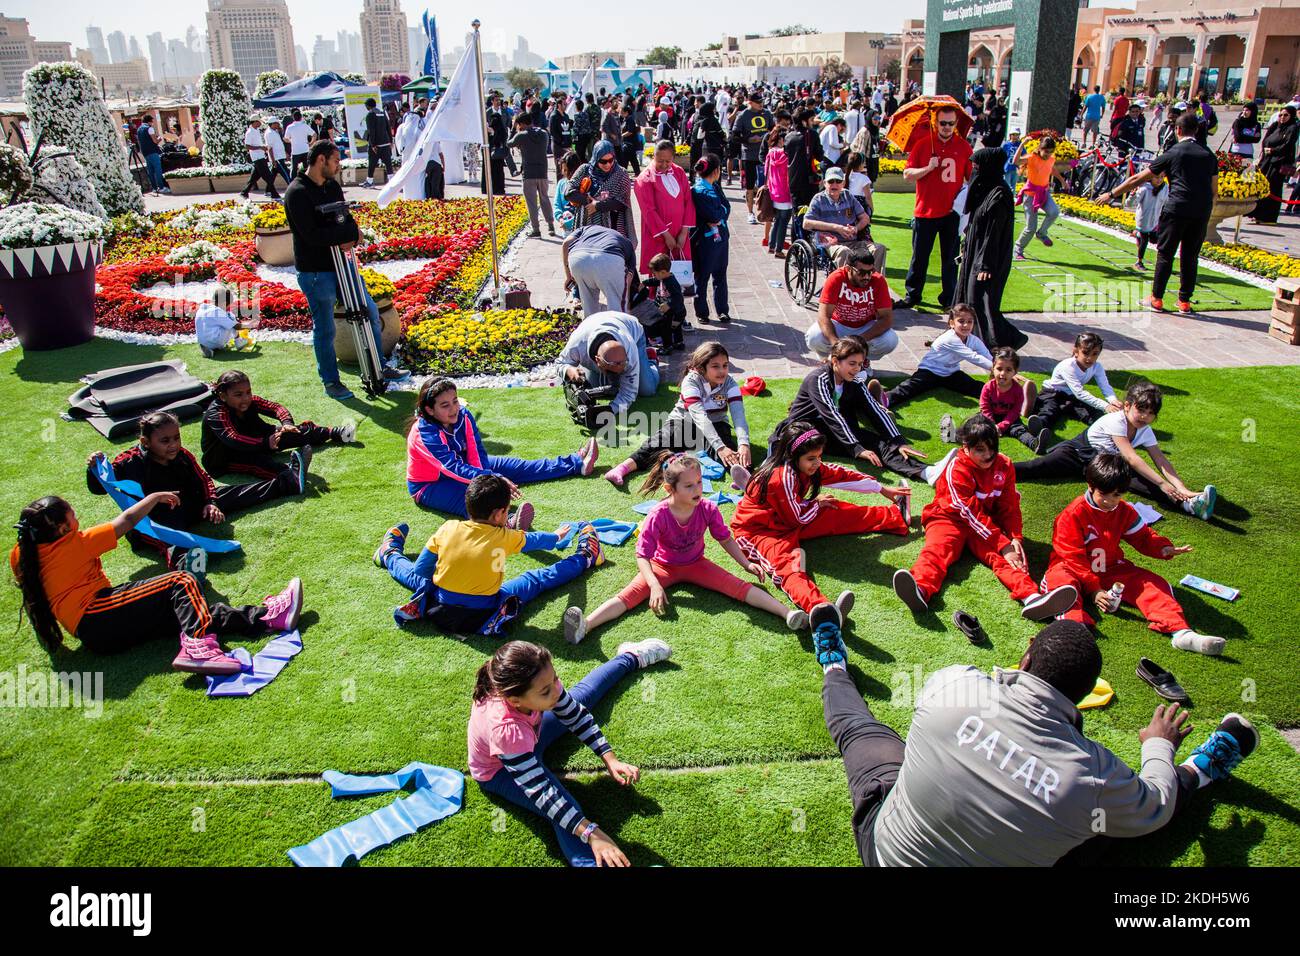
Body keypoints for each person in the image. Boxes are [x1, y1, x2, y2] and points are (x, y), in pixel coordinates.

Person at [815, 616, 1259, 867]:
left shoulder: (955, 686)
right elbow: (1156, 806)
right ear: (1084, 696)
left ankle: (833, 666)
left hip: (884, 853)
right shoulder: (1093, 777)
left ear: (1026, 655)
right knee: (1114, 823)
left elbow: (977, 693)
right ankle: (1203, 768)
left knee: (861, 732)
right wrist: (1158, 746)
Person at [11, 494, 302, 676]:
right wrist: (153, 498)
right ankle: (198, 648)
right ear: (62, 529)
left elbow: (34, 595)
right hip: (99, 612)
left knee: (189, 610)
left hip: (95, 635)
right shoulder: (75, 543)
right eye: (72, 515)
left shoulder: (21, 556)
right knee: (180, 580)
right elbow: (126, 520)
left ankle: (266, 616)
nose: (77, 517)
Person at [467, 638, 673, 866]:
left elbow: (576, 715)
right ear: (515, 700)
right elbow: (542, 793)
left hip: (528, 738)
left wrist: (610, 758)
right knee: (563, 809)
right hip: (500, 771)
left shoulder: (532, 681)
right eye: (546, 691)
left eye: (554, 678)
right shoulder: (506, 729)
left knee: (581, 697)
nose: (556, 689)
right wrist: (591, 833)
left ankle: (631, 657)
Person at [566, 453, 803, 643]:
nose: (697, 490)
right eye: (689, 486)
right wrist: (654, 584)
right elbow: (642, 555)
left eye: (699, 482)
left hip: (697, 565)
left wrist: (746, 563)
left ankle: (788, 614)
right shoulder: (658, 515)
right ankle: (585, 626)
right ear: (671, 490)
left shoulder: (708, 508)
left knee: (738, 587)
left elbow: (725, 539)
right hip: (662, 567)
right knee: (627, 596)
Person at [892, 415, 1079, 620]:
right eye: (980, 450)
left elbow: (1010, 506)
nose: (988, 455)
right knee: (938, 549)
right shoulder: (956, 469)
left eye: (992, 448)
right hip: (948, 518)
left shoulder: (1005, 465)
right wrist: (1002, 542)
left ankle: (1032, 598)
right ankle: (920, 589)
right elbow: (968, 511)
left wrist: (1015, 538)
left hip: (984, 522)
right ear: (965, 447)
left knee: (1008, 559)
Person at [730, 420, 910, 630]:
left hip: (790, 515)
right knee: (789, 570)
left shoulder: (804, 466)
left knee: (837, 511)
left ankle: (896, 516)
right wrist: (815, 504)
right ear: (793, 456)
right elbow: (796, 518)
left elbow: (839, 474)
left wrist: (881, 489)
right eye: (811, 458)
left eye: (819, 456)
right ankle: (822, 609)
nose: (817, 463)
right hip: (760, 531)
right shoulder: (780, 479)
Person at [1044, 454, 1228, 656]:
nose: (1110, 501)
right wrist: (1094, 589)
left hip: (1111, 566)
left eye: (1117, 495)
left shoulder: (1124, 510)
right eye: (1104, 494)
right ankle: (1075, 628)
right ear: (1090, 486)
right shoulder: (1072, 514)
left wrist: (1162, 548)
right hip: (1071, 567)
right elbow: (1072, 557)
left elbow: (1142, 537)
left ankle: (1181, 633)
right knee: (1062, 585)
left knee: (1152, 583)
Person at [375, 476, 605, 634]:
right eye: (508, 511)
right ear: (498, 515)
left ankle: (388, 554)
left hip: (438, 610)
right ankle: (586, 555)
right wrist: (555, 537)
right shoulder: (504, 537)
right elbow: (534, 540)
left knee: (417, 579)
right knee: (535, 579)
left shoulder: (448, 528)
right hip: (483, 614)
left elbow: (421, 571)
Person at [85, 412, 307, 570]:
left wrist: (210, 502)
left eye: (176, 438)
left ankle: (288, 482)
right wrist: (93, 468)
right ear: (146, 441)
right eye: (164, 440)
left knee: (229, 494)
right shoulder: (128, 461)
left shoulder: (181, 455)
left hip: (186, 506)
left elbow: (203, 479)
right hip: (152, 521)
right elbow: (100, 487)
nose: (173, 444)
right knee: (167, 540)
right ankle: (188, 567)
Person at [283, 139, 399, 400]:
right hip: (315, 271)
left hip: (342, 264)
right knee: (325, 328)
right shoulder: (297, 192)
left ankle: (378, 366)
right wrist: (342, 235)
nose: (338, 166)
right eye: (335, 161)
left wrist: (352, 235)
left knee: (368, 310)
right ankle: (331, 382)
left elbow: (346, 221)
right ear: (321, 160)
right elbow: (311, 235)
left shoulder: (332, 186)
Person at [1014, 380, 1218, 520]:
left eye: (1151, 413)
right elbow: (1131, 457)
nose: (1145, 417)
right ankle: (994, 470)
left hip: (1106, 465)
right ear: (1127, 406)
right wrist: (1163, 483)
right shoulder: (1116, 420)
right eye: (1141, 410)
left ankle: (1190, 505)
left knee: (1146, 483)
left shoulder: (1145, 431)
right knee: (1038, 466)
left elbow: (1161, 461)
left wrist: (1181, 488)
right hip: (1078, 453)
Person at [404, 377, 597, 522]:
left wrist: (489, 478)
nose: (454, 408)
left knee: (519, 467)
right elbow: (451, 468)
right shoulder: (423, 433)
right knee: (473, 501)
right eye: (445, 405)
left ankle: (577, 463)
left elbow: (476, 450)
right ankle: (508, 522)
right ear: (430, 410)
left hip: (465, 465)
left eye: (455, 401)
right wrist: (491, 479)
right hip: (431, 484)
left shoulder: (463, 415)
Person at [1097, 113, 1218, 314]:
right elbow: (1214, 191)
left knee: (1166, 254)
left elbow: (1137, 178)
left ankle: (1157, 299)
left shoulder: (1173, 152)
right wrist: (1205, 211)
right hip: (1201, 210)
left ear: (1178, 130)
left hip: (1177, 208)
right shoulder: (1208, 155)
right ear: (1196, 131)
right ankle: (1184, 302)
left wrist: (1111, 193)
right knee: (1190, 256)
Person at [604, 341, 750, 488]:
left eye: (725, 365)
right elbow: (699, 417)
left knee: (729, 451)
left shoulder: (730, 384)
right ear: (701, 368)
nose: (722, 371)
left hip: (716, 423)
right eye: (715, 366)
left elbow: (739, 416)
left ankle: (744, 477)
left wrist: (743, 444)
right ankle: (622, 468)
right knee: (658, 442)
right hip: (683, 421)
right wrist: (719, 447)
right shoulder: (691, 381)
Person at [784, 337, 929, 482]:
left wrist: (898, 440)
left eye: (860, 364)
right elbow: (832, 415)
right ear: (835, 361)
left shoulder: (855, 380)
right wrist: (856, 448)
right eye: (852, 363)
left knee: (879, 443)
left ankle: (926, 472)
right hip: (806, 431)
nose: (857, 368)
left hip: (833, 431)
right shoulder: (818, 379)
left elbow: (875, 410)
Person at [201, 370, 356, 480]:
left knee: (295, 432)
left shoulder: (250, 401)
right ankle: (292, 473)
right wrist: (264, 443)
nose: (246, 398)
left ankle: (335, 433)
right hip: (226, 458)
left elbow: (275, 408)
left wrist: (287, 423)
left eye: (248, 392)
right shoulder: (216, 413)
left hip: (257, 440)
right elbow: (232, 438)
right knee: (258, 462)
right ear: (222, 395)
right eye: (238, 395)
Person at [900, 106, 973, 310]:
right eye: (943, 123)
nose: (947, 127)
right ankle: (913, 294)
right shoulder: (923, 145)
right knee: (919, 257)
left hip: (952, 213)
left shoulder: (964, 147)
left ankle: (949, 297)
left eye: (951, 123)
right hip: (925, 211)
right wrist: (928, 168)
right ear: (935, 122)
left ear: (956, 124)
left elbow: (971, 178)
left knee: (950, 259)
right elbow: (907, 175)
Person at [957, 146, 1027, 350]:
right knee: (972, 299)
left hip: (989, 260)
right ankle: (975, 340)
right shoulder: (987, 188)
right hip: (976, 254)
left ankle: (1003, 340)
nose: (974, 171)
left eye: (977, 166)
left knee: (980, 301)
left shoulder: (999, 195)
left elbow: (993, 234)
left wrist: (985, 265)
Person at [556, 310, 661, 416]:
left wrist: (610, 410)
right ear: (597, 360)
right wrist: (569, 370)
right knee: (590, 388)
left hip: (632, 327)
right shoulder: (577, 345)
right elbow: (559, 363)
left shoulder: (630, 350)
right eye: (611, 372)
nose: (615, 378)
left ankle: (651, 360)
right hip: (592, 323)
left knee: (647, 389)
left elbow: (629, 394)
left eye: (621, 370)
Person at [885, 303, 992, 408]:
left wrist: (999, 367)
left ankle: (999, 395)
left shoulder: (974, 340)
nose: (966, 325)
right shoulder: (950, 338)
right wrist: (994, 368)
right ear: (951, 323)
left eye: (970, 322)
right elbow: (973, 357)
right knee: (909, 388)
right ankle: (884, 400)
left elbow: (987, 355)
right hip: (929, 371)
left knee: (974, 386)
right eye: (961, 321)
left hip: (951, 373)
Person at [1024, 331, 1121, 445]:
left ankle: (1108, 430)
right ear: (1075, 351)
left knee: (1091, 412)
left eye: (1095, 354)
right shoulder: (1068, 366)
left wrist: (1113, 400)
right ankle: (1038, 425)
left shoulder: (1097, 367)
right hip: (1052, 393)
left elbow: (1105, 386)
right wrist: (1105, 406)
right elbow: (1080, 393)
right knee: (1050, 410)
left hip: (1071, 396)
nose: (1090, 358)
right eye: (1085, 353)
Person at [807, 246, 898, 361]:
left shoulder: (878, 280)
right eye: (862, 272)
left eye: (870, 272)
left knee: (890, 340)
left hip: (865, 326)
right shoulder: (836, 278)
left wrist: (859, 340)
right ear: (849, 269)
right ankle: (829, 359)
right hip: (838, 324)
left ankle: (863, 361)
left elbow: (886, 319)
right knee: (814, 337)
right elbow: (823, 316)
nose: (867, 277)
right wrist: (836, 344)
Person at [633, 140, 695, 277]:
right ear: (654, 157)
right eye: (660, 161)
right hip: (658, 235)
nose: (665, 165)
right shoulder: (645, 179)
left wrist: (684, 233)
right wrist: (666, 236)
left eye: (668, 161)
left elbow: (688, 201)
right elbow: (649, 211)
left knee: (679, 272)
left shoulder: (678, 172)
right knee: (658, 270)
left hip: (679, 233)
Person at [802, 166, 880, 271]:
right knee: (844, 251)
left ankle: (874, 282)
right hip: (830, 242)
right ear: (825, 183)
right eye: (831, 181)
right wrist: (836, 228)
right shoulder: (818, 199)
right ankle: (844, 284)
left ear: (843, 183)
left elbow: (865, 218)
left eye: (838, 181)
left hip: (852, 241)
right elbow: (806, 223)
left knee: (879, 249)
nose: (834, 185)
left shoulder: (848, 196)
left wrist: (855, 229)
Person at [566, 139, 636, 244]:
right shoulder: (584, 170)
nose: (608, 164)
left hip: (613, 227)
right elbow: (568, 193)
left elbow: (623, 202)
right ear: (595, 158)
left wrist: (598, 205)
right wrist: (589, 202)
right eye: (603, 161)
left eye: (611, 160)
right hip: (584, 225)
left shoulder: (621, 174)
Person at [690, 153, 732, 324]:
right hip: (705, 241)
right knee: (702, 276)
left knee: (720, 274)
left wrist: (720, 214)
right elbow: (716, 215)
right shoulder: (699, 191)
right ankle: (701, 311)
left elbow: (726, 208)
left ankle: (722, 310)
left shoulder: (714, 186)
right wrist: (720, 214)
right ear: (716, 171)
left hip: (720, 238)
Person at [561, 224, 639, 316]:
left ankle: (592, 329)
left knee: (589, 309)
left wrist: (568, 276)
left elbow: (566, 243)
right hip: (609, 258)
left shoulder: (585, 228)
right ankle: (616, 329)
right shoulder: (626, 242)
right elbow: (628, 279)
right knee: (617, 309)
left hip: (579, 259)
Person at [1012, 135, 1065, 259]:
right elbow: (1016, 161)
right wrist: (1022, 144)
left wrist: (1062, 181)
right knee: (1031, 228)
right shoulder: (1032, 157)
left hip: (1044, 193)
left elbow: (1052, 169)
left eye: (1051, 152)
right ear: (1040, 148)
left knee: (1054, 212)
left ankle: (1041, 233)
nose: (1048, 154)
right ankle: (1018, 249)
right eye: (1046, 151)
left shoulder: (1051, 159)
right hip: (1030, 195)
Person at [977, 346, 1038, 451]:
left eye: (1008, 370)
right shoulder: (988, 387)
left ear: (1015, 372)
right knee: (975, 425)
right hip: (989, 417)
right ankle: (956, 436)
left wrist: (1001, 426)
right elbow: (985, 408)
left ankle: (1035, 443)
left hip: (1010, 419)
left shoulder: (1017, 390)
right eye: (999, 369)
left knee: (1019, 430)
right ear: (993, 368)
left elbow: (1015, 412)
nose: (1002, 374)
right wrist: (992, 425)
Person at [507, 113, 555, 238]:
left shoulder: (521, 135)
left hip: (528, 173)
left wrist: (513, 130)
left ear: (521, 124)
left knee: (532, 203)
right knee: (544, 198)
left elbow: (509, 144)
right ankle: (550, 225)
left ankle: (536, 229)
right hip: (542, 171)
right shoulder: (544, 134)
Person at [731, 90, 775, 224]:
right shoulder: (743, 115)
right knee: (749, 186)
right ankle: (750, 212)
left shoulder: (767, 113)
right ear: (750, 102)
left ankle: (766, 211)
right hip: (749, 155)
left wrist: (769, 139)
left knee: (767, 185)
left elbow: (773, 130)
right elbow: (734, 136)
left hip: (766, 155)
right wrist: (749, 140)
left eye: (762, 101)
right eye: (758, 102)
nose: (761, 104)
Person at [1250, 104, 1298, 224]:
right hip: (1267, 161)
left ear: (1291, 116)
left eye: (1285, 115)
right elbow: (1266, 139)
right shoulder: (1275, 125)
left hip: (1278, 163)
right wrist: (1266, 150)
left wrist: (1273, 150)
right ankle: (1258, 214)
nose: (1282, 117)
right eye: (1280, 115)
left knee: (1273, 188)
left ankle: (1269, 217)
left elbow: (1288, 145)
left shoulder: (1292, 128)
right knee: (1262, 186)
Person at [631, 252, 687, 354]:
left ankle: (667, 347)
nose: (654, 275)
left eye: (654, 273)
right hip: (676, 312)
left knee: (666, 329)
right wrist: (645, 283)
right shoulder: (664, 278)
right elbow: (655, 281)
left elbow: (678, 298)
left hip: (674, 312)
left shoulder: (671, 282)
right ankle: (679, 343)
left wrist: (668, 304)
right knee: (675, 328)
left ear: (663, 272)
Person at [763, 127, 794, 259]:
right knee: (783, 222)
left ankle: (771, 245)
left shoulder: (770, 153)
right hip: (785, 191)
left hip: (773, 191)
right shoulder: (786, 155)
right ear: (781, 140)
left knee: (777, 220)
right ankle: (779, 249)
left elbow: (766, 172)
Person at [1131, 172, 1168, 270]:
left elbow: (1166, 201)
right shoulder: (1144, 189)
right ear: (1150, 178)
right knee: (1144, 241)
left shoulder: (1165, 188)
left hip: (1156, 220)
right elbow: (1131, 204)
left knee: (1155, 240)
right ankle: (1139, 262)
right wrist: (1133, 195)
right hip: (1143, 220)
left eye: (1162, 177)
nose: (1159, 180)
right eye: (1156, 177)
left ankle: (1137, 234)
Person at [240, 117, 279, 200]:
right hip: (257, 157)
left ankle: (244, 192)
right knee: (267, 176)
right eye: (259, 122)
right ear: (255, 122)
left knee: (255, 177)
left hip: (260, 156)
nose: (260, 123)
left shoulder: (256, 131)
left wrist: (262, 148)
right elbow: (247, 146)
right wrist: (260, 148)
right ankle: (274, 193)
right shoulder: (249, 132)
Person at [360, 98, 394, 188]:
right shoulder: (382, 113)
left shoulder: (370, 115)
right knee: (388, 162)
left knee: (372, 162)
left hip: (377, 144)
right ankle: (392, 181)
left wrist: (373, 144)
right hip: (385, 142)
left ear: (368, 106)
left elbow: (371, 131)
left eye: (366, 105)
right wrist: (390, 141)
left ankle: (370, 182)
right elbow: (388, 127)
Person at [135, 114, 170, 195]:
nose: (153, 123)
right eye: (152, 121)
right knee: (158, 169)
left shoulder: (139, 129)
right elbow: (155, 141)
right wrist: (159, 138)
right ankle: (161, 187)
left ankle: (154, 188)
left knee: (150, 170)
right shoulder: (149, 128)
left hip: (145, 152)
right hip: (152, 151)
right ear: (149, 121)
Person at [284, 109, 315, 179]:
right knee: (307, 167)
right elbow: (314, 134)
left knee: (294, 169)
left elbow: (285, 139)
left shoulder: (289, 127)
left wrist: (291, 141)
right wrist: (311, 143)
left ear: (293, 117)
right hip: (305, 149)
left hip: (295, 151)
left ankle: (292, 183)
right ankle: (309, 182)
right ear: (301, 117)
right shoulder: (304, 126)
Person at [549, 94, 573, 181]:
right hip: (558, 146)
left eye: (566, 104)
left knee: (568, 166)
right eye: (564, 104)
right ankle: (560, 186)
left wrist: (569, 143)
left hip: (567, 145)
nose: (566, 106)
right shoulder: (554, 116)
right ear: (559, 105)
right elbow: (552, 132)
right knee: (560, 168)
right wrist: (561, 143)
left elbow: (568, 130)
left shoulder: (566, 116)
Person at [1080, 85, 1106, 150]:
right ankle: (1093, 144)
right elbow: (1103, 107)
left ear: (1093, 89)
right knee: (1095, 131)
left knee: (1085, 130)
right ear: (1099, 90)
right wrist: (1102, 114)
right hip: (1097, 116)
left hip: (1089, 115)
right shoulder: (1102, 97)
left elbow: (1085, 106)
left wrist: (1081, 114)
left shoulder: (1089, 97)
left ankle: (1084, 143)